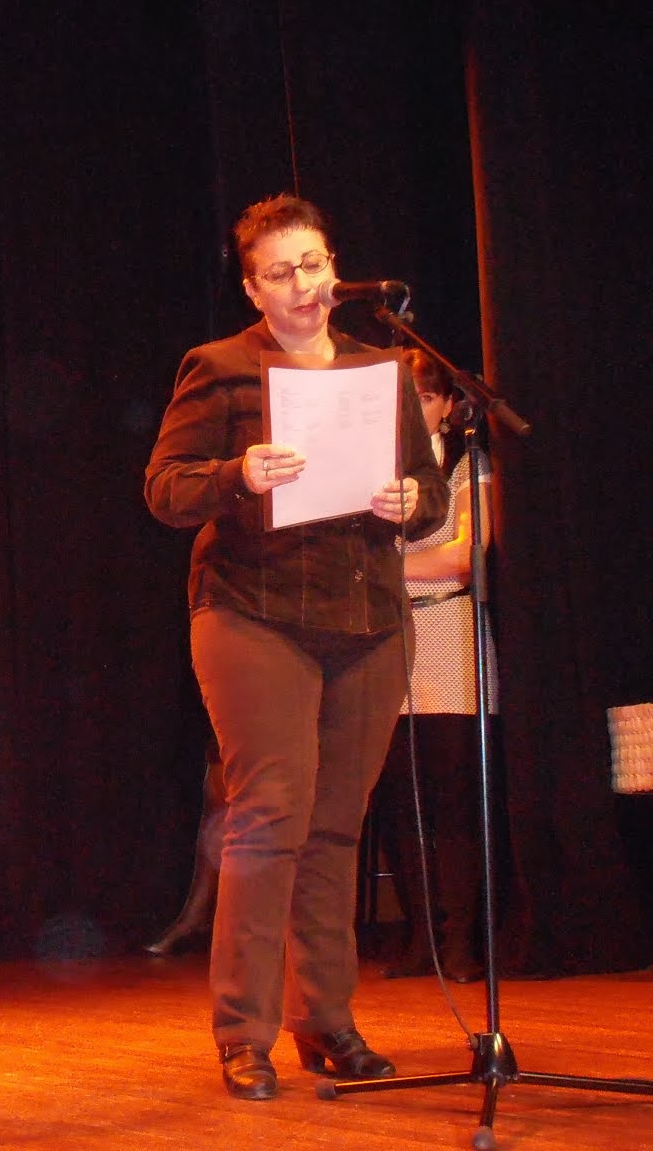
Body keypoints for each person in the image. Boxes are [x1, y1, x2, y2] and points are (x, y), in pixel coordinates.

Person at [143, 194, 449, 1101]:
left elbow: (429, 495)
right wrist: (238, 475)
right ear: (253, 287)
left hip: (364, 619)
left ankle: (328, 1023)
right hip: (252, 612)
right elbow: (165, 488)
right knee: (270, 815)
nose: (306, 284)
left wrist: (410, 505)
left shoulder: (381, 370)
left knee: (334, 828)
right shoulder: (222, 368)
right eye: (282, 272)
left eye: (314, 263)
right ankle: (244, 1032)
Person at [371, 349, 497, 984]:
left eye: (423, 397)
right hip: (383, 639)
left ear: (448, 405)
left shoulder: (469, 467)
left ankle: (461, 942)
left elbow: (461, 560)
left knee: (452, 799)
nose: (414, 409)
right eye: (404, 397)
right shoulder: (373, 471)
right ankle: (420, 938)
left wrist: (381, 570)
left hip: (449, 632)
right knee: (400, 797)